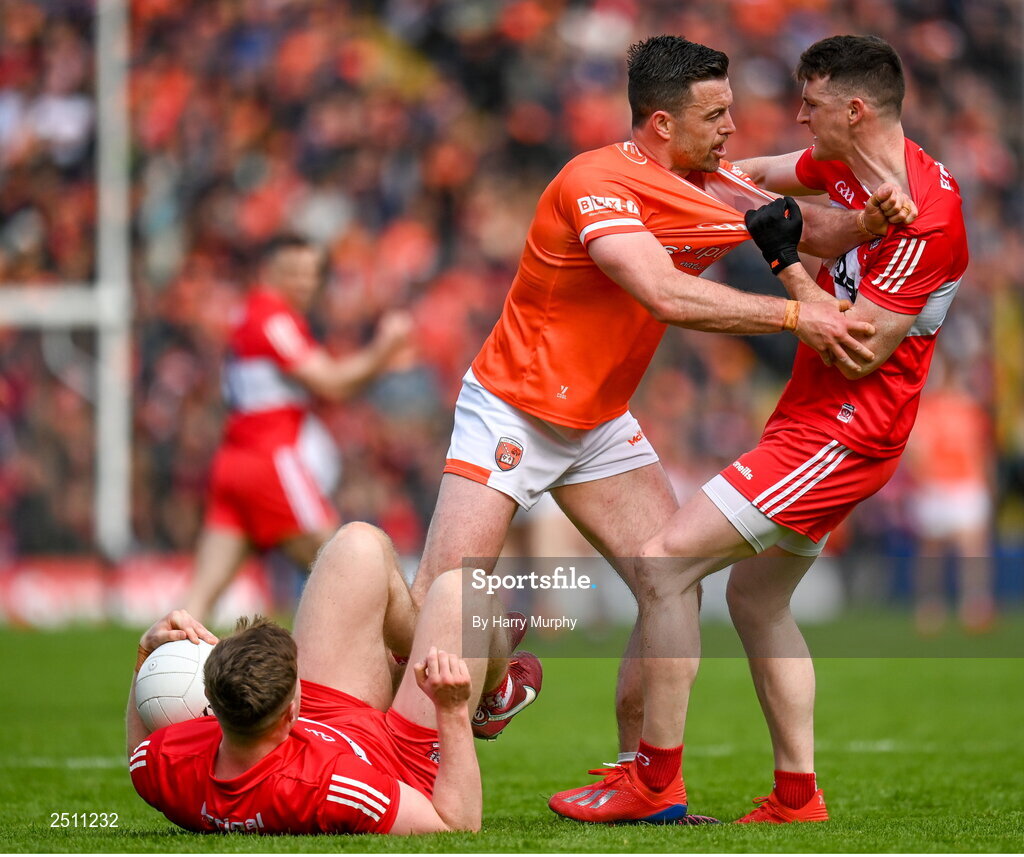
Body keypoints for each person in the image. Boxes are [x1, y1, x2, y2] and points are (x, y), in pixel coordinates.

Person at [410, 34, 912, 754]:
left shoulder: (721, 185)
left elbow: (813, 234)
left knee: (670, 582)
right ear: (662, 124)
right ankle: (452, 698)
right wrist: (799, 313)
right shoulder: (595, 182)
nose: (732, 129)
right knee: (441, 595)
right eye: (716, 116)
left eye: (730, 111)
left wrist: (870, 220)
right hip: (512, 406)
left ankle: (634, 775)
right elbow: (663, 291)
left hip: (601, 422)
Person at [548, 34, 968, 824]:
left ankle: (653, 782)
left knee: (668, 564)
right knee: (755, 599)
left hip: (847, 426)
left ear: (855, 108)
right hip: (815, 418)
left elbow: (858, 348)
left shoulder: (932, 217)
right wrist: (671, 181)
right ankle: (796, 798)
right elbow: (753, 179)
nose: (796, 117)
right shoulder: (849, 169)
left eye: (809, 104)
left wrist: (787, 261)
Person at [129, 522, 539, 835]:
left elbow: (140, 754)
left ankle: (403, 663)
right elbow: (456, 825)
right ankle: (494, 691)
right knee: (461, 591)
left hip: (325, 720)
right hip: (400, 759)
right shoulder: (330, 786)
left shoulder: (172, 759)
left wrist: (146, 657)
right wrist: (451, 710)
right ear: (291, 711)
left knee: (356, 542)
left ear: (213, 708)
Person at [184, 235, 412, 623]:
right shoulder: (273, 318)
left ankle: (155, 677)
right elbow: (332, 383)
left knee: (198, 597)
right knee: (351, 567)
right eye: (295, 273)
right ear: (268, 272)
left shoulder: (249, 314)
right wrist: (385, 349)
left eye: (312, 274)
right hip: (268, 462)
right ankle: (407, 663)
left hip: (233, 462)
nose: (306, 283)